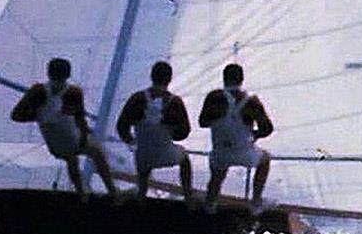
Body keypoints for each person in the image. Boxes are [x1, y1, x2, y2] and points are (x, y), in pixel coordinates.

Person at [10, 57, 118, 201]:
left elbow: (16, 115)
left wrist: (39, 116)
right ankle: (112, 191)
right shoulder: (73, 92)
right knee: (97, 152)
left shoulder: (38, 91)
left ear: (48, 73)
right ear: (68, 75)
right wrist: (86, 134)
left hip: (55, 142)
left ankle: (81, 193)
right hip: (69, 138)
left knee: (71, 158)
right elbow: (80, 118)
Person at [115, 60, 194, 204]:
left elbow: (121, 126)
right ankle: (188, 196)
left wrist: (132, 142)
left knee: (143, 173)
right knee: (185, 158)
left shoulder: (137, 98)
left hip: (143, 155)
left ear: (151, 76)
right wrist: (171, 131)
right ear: (169, 79)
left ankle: (141, 196)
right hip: (166, 153)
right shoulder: (175, 102)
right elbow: (184, 132)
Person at [199, 63, 273, 212]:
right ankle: (256, 202)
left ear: (224, 78)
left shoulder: (214, 98)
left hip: (220, 152)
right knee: (265, 159)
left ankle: (210, 205)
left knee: (217, 177)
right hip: (244, 152)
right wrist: (254, 134)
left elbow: (203, 122)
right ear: (242, 79)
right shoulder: (251, 101)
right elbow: (267, 128)